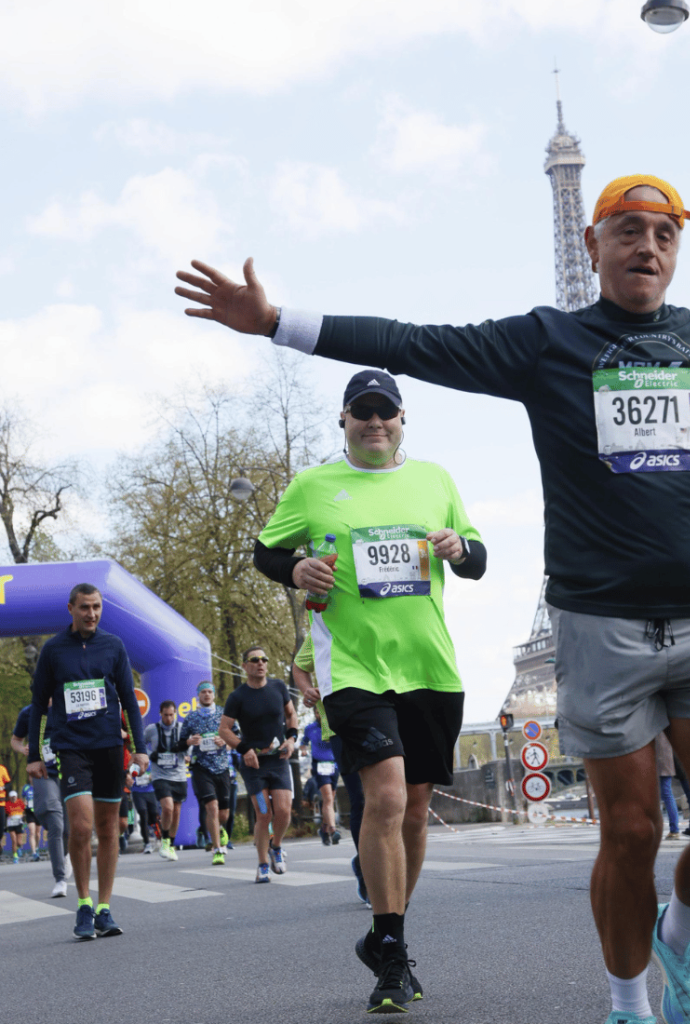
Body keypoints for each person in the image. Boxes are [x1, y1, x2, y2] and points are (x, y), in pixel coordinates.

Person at [176, 172, 690, 1024]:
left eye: (663, 233)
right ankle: (629, 1005)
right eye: (627, 230)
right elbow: (415, 340)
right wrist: (277, 322)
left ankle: (677, 935)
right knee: (633, 830)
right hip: (598, 624)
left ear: (677, 248)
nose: (646, 246)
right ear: (592, 243)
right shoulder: (548, 343)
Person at [228, 369, 485, 1012]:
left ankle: (383, 929)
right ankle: (394, 959)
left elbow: (478, 559)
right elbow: (264, 553)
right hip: (352, 670)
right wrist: (294, 567)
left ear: (403, 419)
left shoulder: (435, 480)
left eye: (386, 412)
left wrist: (459, 547)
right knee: (388, 793)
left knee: (419, 809)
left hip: (429, 667)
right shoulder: (315, 487)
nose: (376, 423)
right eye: (362, 413)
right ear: (343, 420)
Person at [26, 583, 148, 940]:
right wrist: (34, 755)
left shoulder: (113, 646)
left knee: (109, 829)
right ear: (71, 609)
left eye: (96, 607)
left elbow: (128, 698)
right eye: (84, 608)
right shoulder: (53, 650)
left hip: (110, 746)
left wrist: (139, 747)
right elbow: (38, 706)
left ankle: (104, 907)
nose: (91, 614)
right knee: (80, 826)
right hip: (71, 748)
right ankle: (82, 903)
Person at [292, 632, 369, 905]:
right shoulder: (322, 628)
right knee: (355, 797)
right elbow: (300, 666)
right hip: (338, 731)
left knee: (388, 797)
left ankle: (375, 861)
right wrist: (307, 691)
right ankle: (367, 868)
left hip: (379, 717)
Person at [219, 647, 297, 883]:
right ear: (245, 666)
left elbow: (291, 714)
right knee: (264, 813)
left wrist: (292, 739)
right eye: (255, 660)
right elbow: (224, 729)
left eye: (264, 659)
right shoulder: (237, 697)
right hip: (254, 767)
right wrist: (244, 749)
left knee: (283, 811)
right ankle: (263, 864)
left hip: (279, 761)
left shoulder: (278, 687)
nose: (261, 663)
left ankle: (276, 846)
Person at [11, 701, 71, 896]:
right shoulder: (28, 712)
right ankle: (60, 879)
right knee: (56, 822)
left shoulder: (66, 706)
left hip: (70, 769)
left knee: (69, 829)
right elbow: (15, 740)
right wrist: (22, 749)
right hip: (44, 772)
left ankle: (67, 853)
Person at [181, 681, 231, 864]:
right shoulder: (191, 717)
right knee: (211, 807)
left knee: (224, 813)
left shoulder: (224, 714)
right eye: (203, 692)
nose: (207, 695)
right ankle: (217, 849)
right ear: (198, 696)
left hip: (222, 767)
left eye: (210, 691)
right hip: (201, 767)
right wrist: (189, 742)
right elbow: (180, 742)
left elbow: (237, 737)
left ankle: (221, 829)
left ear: (214, 695)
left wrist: (225, 741)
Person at [145, 699, 189, 861]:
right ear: (160, 714)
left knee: (176, 812)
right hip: (160, 775)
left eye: (171, 715)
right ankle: (164, 840)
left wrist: (188, 753)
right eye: (165, 715)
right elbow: (140, 745)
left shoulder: (182, 729)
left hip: (179, 776)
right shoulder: (152, 729)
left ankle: (171, 844)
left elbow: (189, 747)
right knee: (168, 808)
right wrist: (151, 755)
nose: (169, 719)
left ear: (175, 714)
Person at [301, 705, 341, 846]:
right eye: (317, 712)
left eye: (321, 712)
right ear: (315, 713)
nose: (319, 714)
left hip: (334, 764)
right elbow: (303, 742)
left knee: (330, 799)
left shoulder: (333, 726)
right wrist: (304, 750)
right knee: (328, 798)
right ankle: (333, 830)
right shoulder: (310, 728)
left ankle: (323, 830)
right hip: (319, 764)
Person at [655, 731, 680, 841]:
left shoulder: (651, 725)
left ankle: (670, 830)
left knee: (662, 795)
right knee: (667, 794)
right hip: (666, 763)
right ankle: (674, 830)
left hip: (657, 763)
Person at [130, 761, 159, 853]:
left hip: (150, 791)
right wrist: (130, 779)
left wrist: (151, 776)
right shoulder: (131, 764)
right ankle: (147, 843)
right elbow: (127, 777)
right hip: (138, 792)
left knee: (155, 815)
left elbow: (157, 773)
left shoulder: (150, 763)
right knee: (143, 815)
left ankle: (159, 837)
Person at [5, 791, 26, 862]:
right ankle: (15, 856)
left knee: (19, 842)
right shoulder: (7, 804)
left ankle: (19, 848)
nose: (13, 798)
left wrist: (22, 816)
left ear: (16, 797)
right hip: (11, 824)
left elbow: (23, 811)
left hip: (19, 823)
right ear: (9, 797)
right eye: (12, 797)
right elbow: (6, 813)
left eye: (14, 796)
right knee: (14, 840)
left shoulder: (20, 802)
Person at [21, 783, 40, 860]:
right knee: (32, 832)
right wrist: (24, 802)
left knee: (37, 833)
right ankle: (34, 852)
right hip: (29, 812)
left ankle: (37, 847)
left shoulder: (39, 785)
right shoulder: (26, 787)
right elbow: (23, 798)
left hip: (38, 811)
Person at [0, 760, 9, 854]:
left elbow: (8, 783)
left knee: (1, 826)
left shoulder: (2, 769)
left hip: (1, 803)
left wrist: (3, 788)